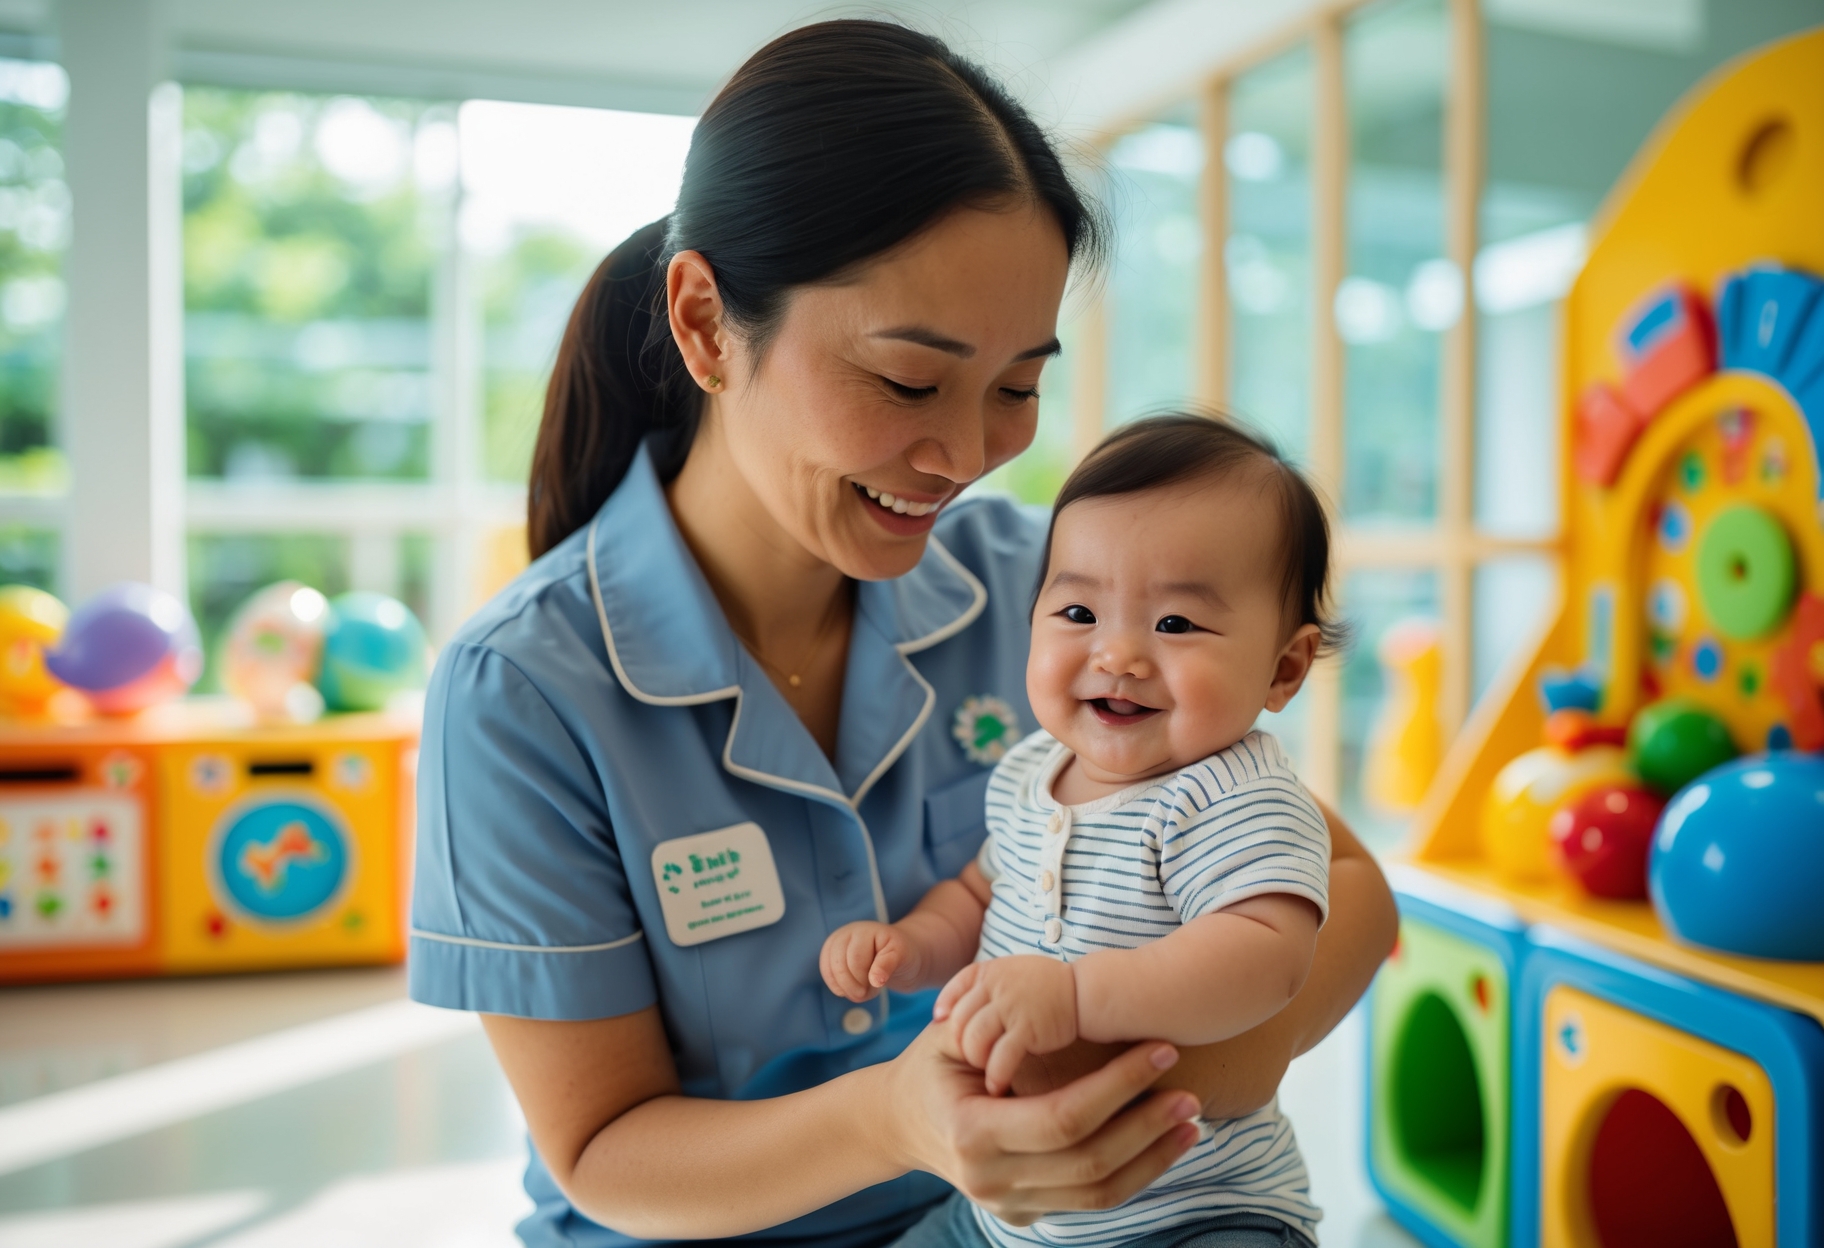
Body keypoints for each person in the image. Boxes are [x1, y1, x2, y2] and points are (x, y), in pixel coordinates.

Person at [407, 20, 1397, 1248]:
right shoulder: (524, 688)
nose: (968, 457)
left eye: (1018, 387)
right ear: (708, 323)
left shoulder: (1059, 602)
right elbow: (603, 1150)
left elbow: (1346, 891)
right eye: (909, 382)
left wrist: (1149, 1086)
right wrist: (901, 1122)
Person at [823, 416, 1342, 1247]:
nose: (1119, 655)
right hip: (1009, 1216)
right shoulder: (1032, 769)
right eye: (1076, 610)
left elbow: (1265, 956)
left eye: (1176, 625)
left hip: (1194, 1212)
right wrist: (909, 947)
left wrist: (1077, 998)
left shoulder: (1233, 795)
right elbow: (978, 893)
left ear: (1284, 668)